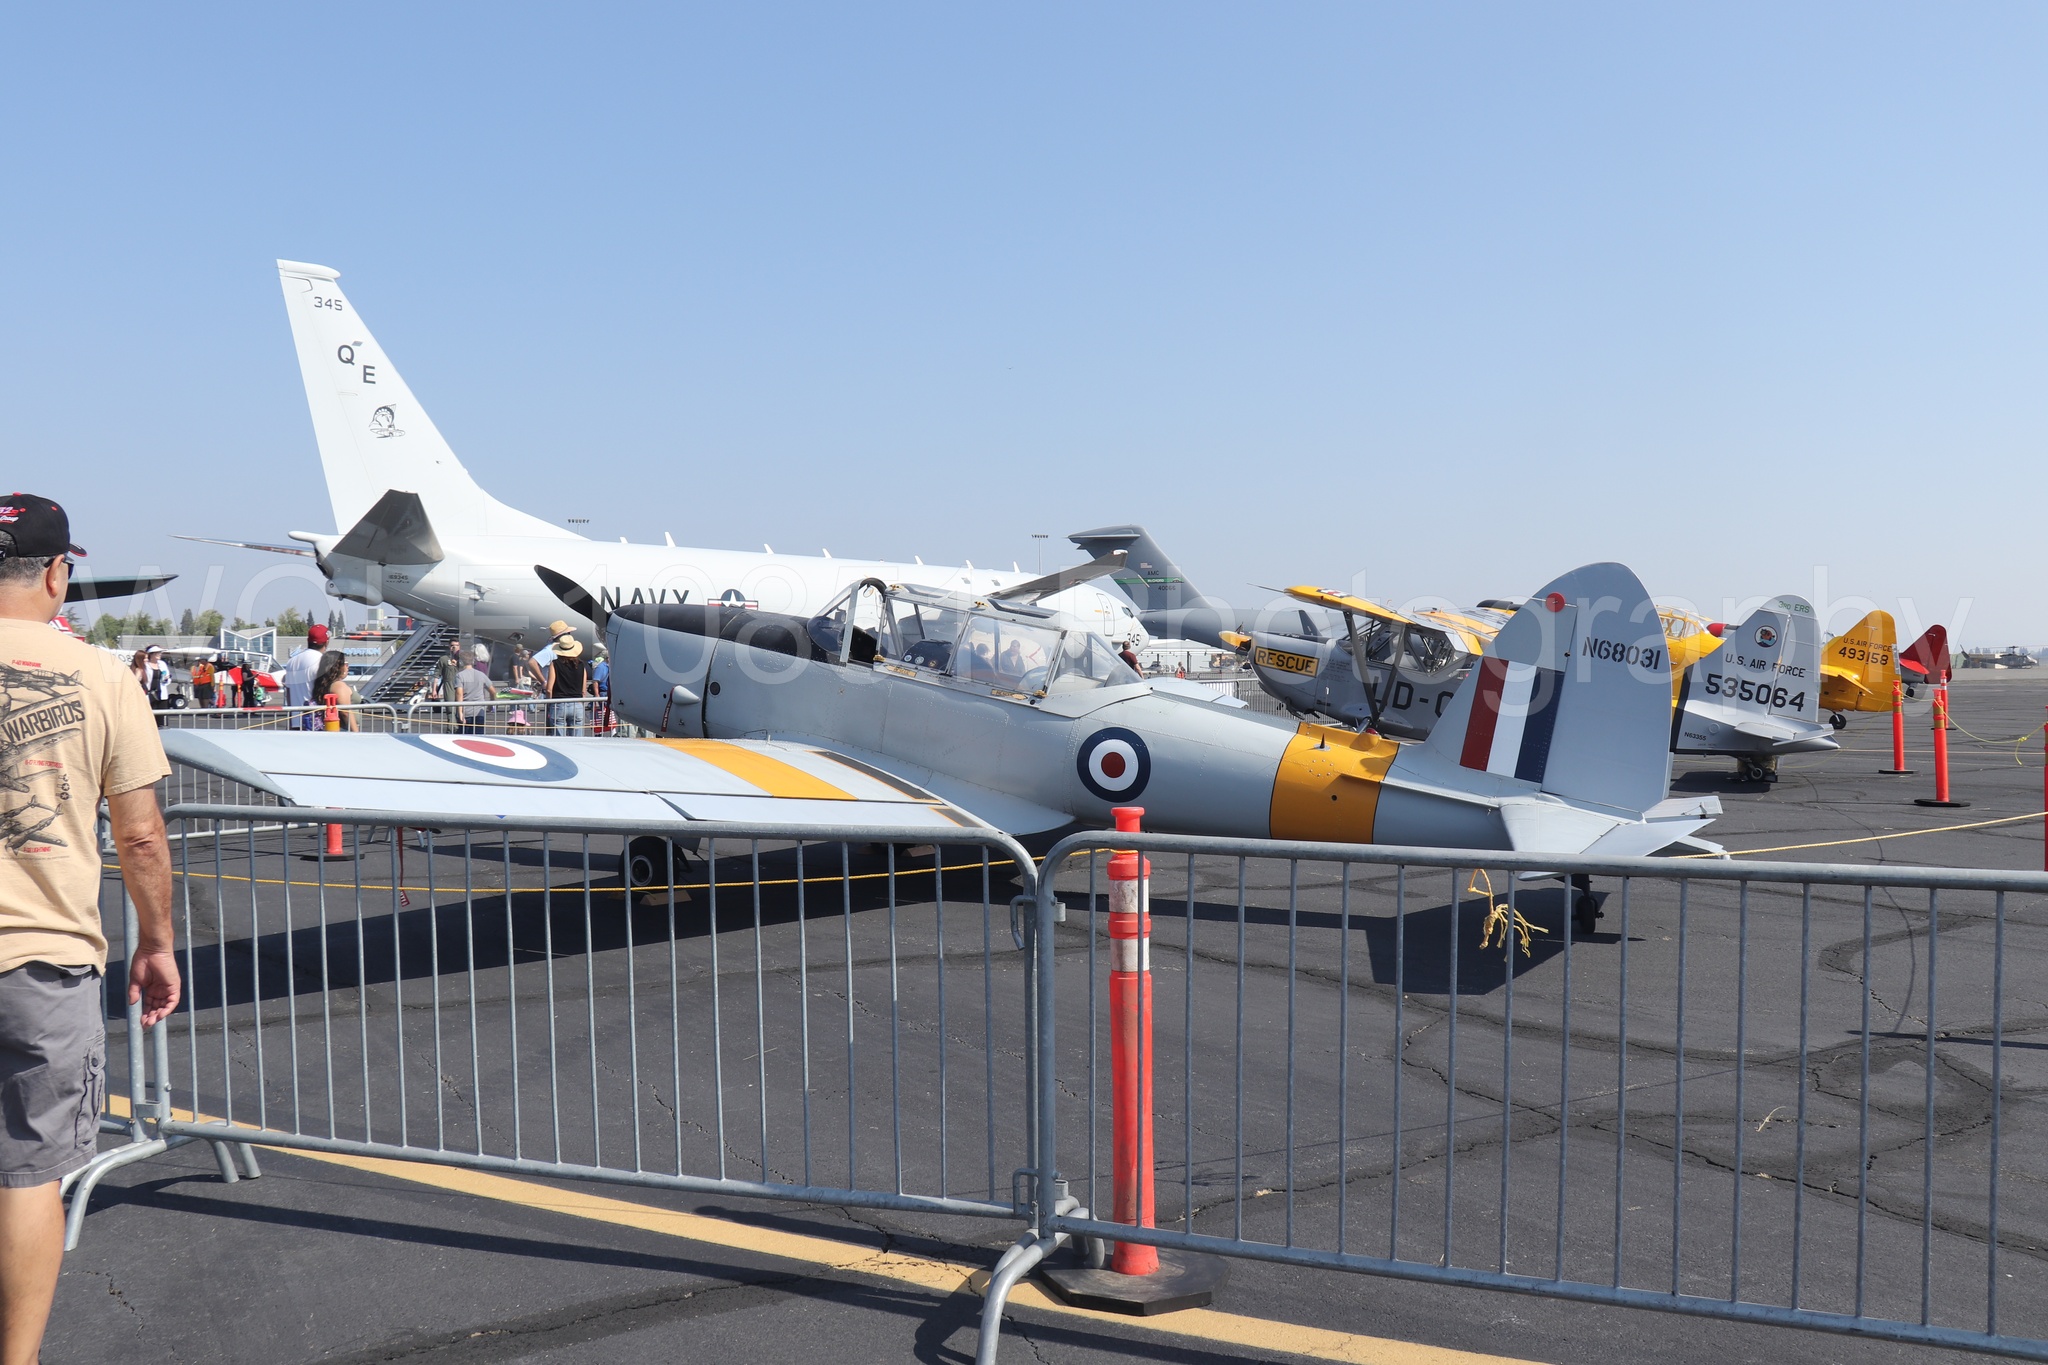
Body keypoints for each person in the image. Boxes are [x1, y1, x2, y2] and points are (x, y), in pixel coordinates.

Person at [0, 494, 178, 1364]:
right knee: (28, 1176)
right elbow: (139, 833)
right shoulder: (102, 675)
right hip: (43, 959)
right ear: (58, 572)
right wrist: (156, 942)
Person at [542, 627, 591, 736]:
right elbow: (583, 690)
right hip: (577, 704)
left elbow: (549, 688)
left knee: (560, 741)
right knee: (578, 740)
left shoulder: (555, 664)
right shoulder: (582, 665)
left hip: (559, 703)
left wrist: (549, 703)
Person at [283, 623, 331, 729]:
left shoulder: (292, 661)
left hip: (296, 721)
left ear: (308, 640)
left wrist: (292, 719)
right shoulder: (323, 661)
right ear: (326, 642)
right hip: (316, 723)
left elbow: (289, 693)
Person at [309, 650, 357, 731]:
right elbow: (345, 712)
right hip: (344, 730)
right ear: (337, 666)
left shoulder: (322, 684)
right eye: (345, 663)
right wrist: (357, 733)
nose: (347, 666)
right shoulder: (339, 686)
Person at [453, 645, 493, 736]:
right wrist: (491, 703)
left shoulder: (460, 675)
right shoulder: (481, 674)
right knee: (479, 738)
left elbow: (459, 694)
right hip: (479, 711)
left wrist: (460, 712)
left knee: (465, 738)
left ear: (461, 662)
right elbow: (492, 690)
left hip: (466, 711)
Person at [138, 645, 173, 718]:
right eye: (158, 653)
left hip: (161, 694)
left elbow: (168, 677)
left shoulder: (162, 664)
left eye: (160, 652)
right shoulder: (145, 665)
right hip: (148, 694)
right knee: (149, 717)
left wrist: (166, 679)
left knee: (162, 717)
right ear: (152, 654)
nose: (160, 654)